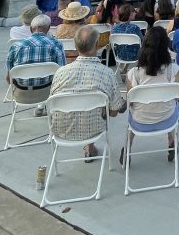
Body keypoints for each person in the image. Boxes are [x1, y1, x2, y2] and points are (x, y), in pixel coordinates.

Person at [49, 25, 124, 160]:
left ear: (76, 46)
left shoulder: (60, 72)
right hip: (94, 129)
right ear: (96, 45)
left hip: (61, 130)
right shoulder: (107, 73)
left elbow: (52, 105)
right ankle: (90, 145)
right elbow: (113, 112)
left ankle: (89, 147)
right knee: (98, 107)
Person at [124, 26, 179, 165]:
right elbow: (177, 96)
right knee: (174, 104)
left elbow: (130, 103)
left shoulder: (133, 73)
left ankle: (127, 147)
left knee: (133, 112)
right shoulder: (173, 69)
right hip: (167, 120)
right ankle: (172, 141)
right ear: (166, 47)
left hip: (139, 123)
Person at [6, 14, 66, 89]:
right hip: (47, 92)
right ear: (48, 29)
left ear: (31, 29)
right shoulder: (57, 44)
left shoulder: (15, 46)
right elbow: (62, 73)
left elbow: (9, 78)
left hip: (21, 94)